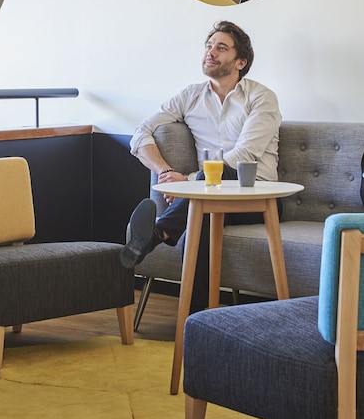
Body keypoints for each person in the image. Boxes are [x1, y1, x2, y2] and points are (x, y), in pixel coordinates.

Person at [120, 21, 281, 310]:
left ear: (240, 61)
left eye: (221, 48)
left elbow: (245, 155)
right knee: (203, 215)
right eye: (209, 46)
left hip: (257, 195)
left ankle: (156, 233)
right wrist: (167, 173)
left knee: (213, 190)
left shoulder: (261, 98)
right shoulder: (190, 96)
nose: (211, 53)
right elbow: (141, 132)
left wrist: (190, 181)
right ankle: (197, 321)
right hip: (208, 196)